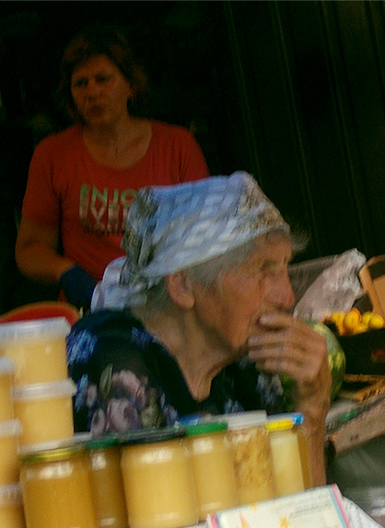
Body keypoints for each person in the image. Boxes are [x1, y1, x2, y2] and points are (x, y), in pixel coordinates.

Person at [67, 172, 332, 485]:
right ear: (183, 286)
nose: (287, 297)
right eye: (263, 270)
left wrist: (313, 413)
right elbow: (160, 521)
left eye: (284, 268)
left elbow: (305, 517)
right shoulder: (115, 359)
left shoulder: (246, 362)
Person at [16, 25, 209, 310]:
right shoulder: (52, 154)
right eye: (80, 83)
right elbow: (29, 250)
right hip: (90, 308)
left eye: (103, 79)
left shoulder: (177, 145)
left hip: (168, 303)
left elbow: (207, 235)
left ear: (131, 85)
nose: (92, 91)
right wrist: (65, 271)